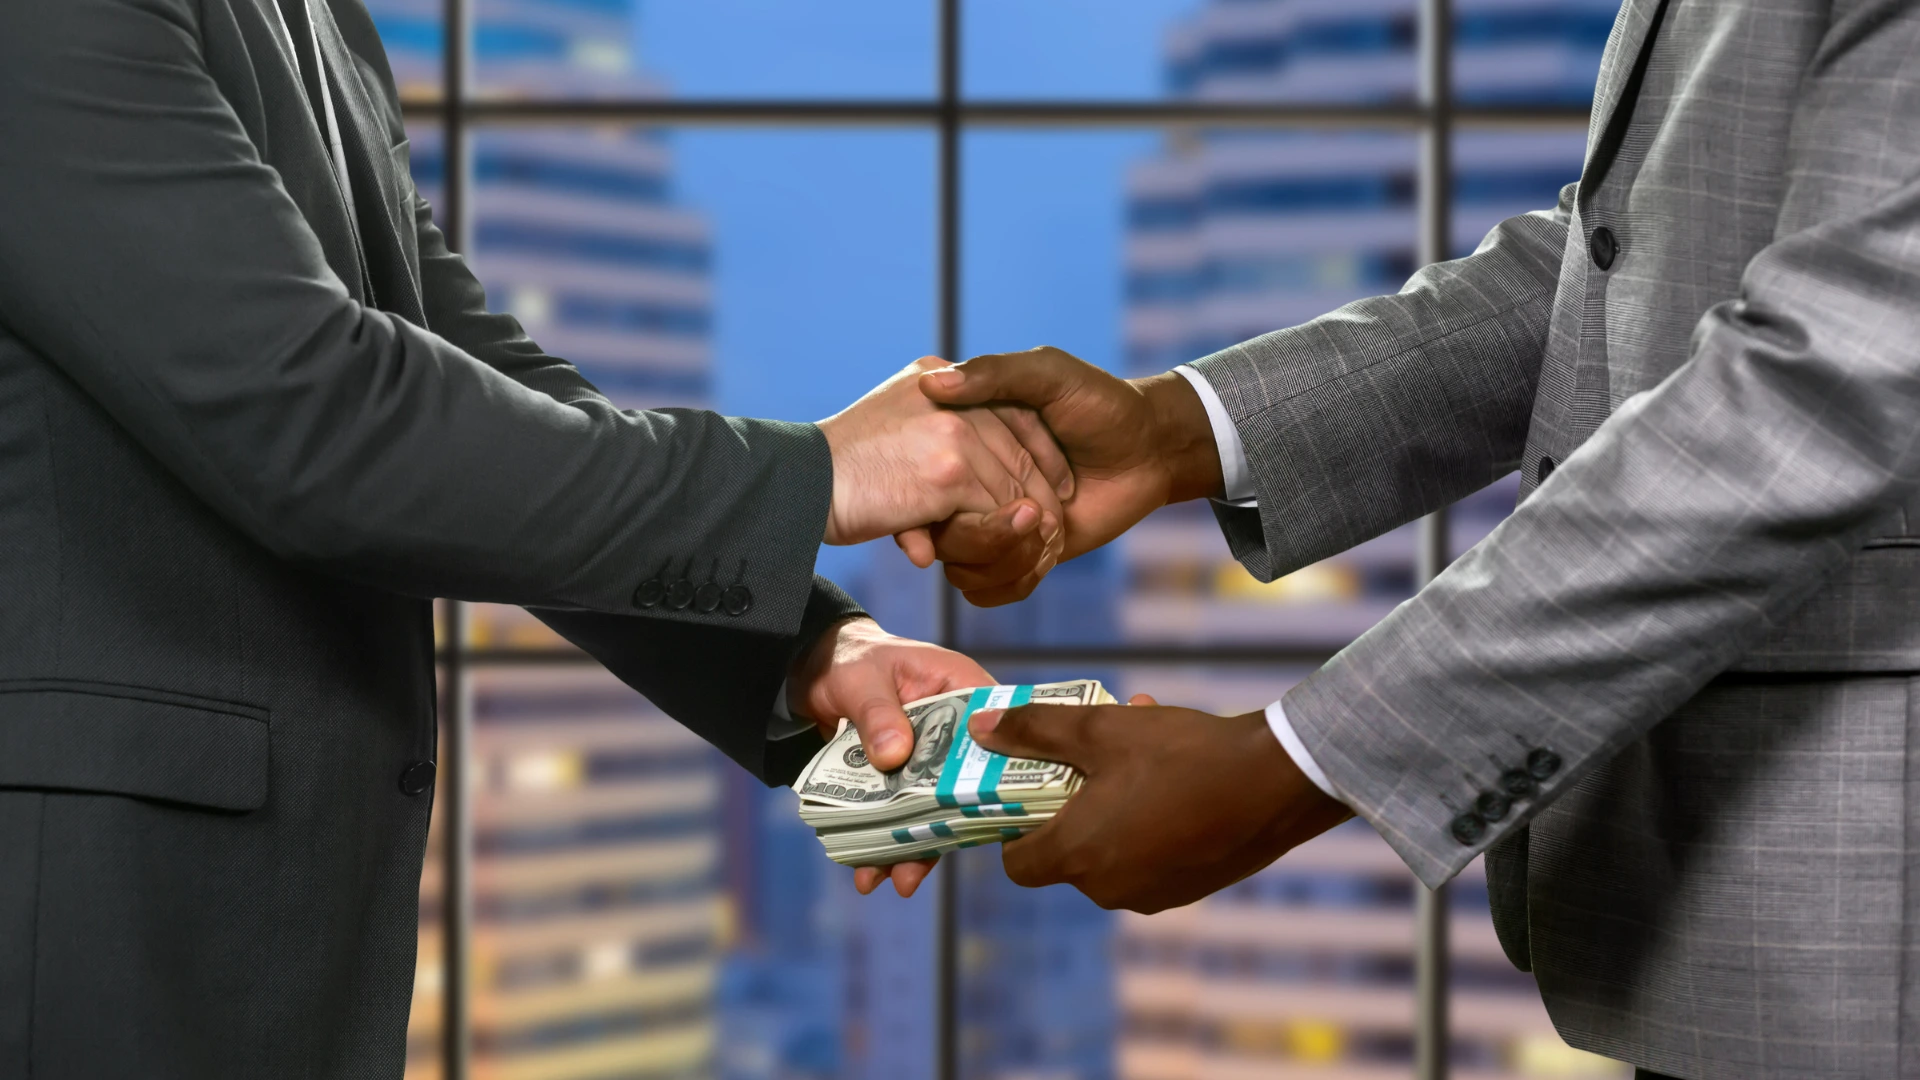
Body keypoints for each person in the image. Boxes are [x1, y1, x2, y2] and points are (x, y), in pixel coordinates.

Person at [0, 0, 1058, 1075]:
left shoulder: (323, 22)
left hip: (268, 934)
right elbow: (310, 415)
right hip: (88, 918)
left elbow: (492, 387)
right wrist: (824, 474)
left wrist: (813, 648)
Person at [903, 0, 1920, 1077]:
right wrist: (1182, 430)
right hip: (1734, 938)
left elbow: (1826, 386)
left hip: (1859, 917)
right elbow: (1617, 260)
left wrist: (1293, 765)